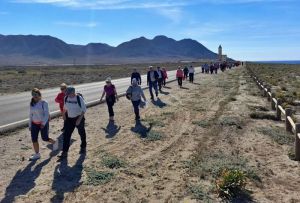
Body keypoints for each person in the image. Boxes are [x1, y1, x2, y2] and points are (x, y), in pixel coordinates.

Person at [58, 86, 87, 160]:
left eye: (68, 93)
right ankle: (64, 152)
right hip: (69, 119)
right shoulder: (66, 98)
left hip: (78, 118)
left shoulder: (78, 98)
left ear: (73, 92)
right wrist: (64, 115)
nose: (67, 95)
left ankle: (83, 146)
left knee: (81, 132)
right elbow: (65, 108)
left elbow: (84, 109)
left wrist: (79, 119)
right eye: (66, 93)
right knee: (66, 135)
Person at [29, 88, 58, 161]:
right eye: (33, 95)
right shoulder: (32, 103)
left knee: (44, 138)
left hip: (43, 123)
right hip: (34, 124)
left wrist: (43, 123)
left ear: (39, 95)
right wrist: (30, 125)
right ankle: (37, 154)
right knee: (34, 139)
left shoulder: (44, 102)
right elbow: (30, 115)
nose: (34, 96)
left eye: (36, 94)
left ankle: (55, 142)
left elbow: (46, 114)